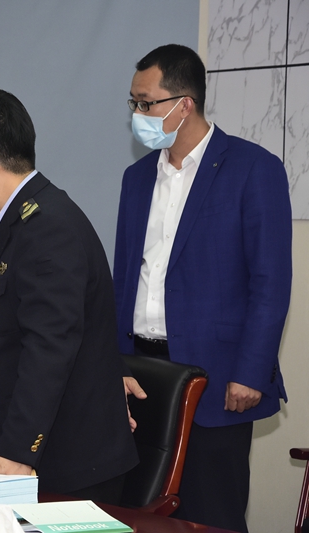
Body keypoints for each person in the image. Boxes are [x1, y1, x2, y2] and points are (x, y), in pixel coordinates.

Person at [115, 44, 291, 533]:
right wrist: (113, 363)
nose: (137, 114)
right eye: (133, 102)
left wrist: (251, 371)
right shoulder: (136, 178)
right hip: (143, 374)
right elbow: (123, 277)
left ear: (184, 104)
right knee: (140, 514)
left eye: (146, 103)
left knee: (212, 514)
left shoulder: (253, 168)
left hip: (217, 377)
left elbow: (270, 282)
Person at [0, 89, 138, 503]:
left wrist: (16, 449)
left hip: (68, 458)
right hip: (39, 444)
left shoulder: (47, 229)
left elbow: (49, 347)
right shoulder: (23, 217)